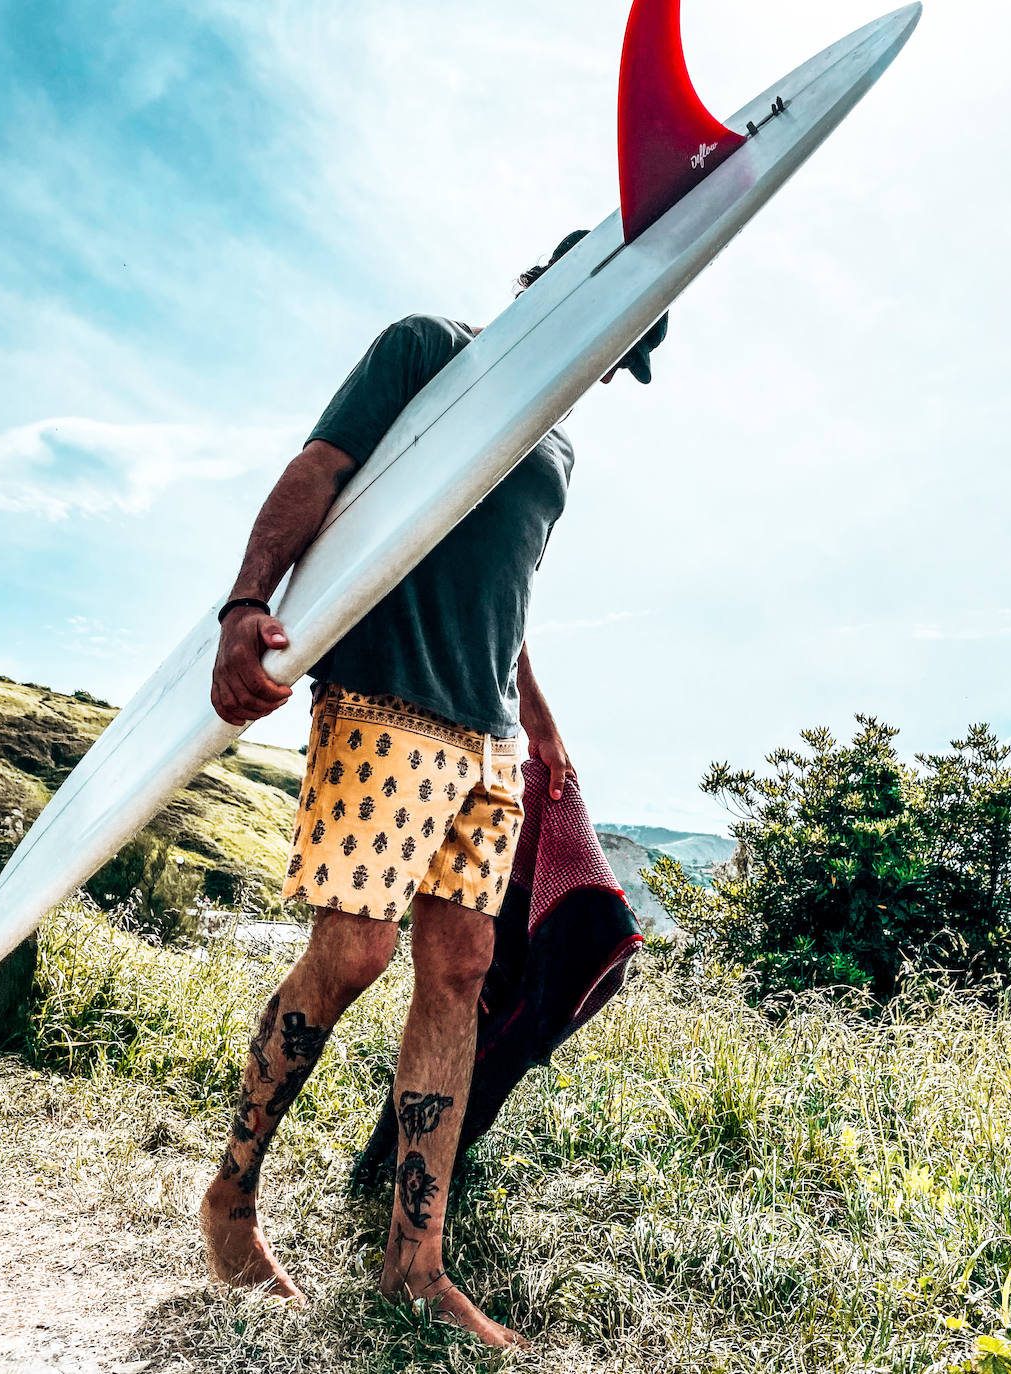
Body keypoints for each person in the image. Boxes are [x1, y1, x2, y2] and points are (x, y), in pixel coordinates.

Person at [199, 230, 666, 1349]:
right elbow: (319, 469)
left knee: (458, 976)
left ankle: (414, 1264)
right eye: (622, 333)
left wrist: (539, 722)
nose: (614, 363)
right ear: (559, 283)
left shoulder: (554, 453)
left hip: (486, 744)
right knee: (353, 952)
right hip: (381, 704)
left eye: (634, 352)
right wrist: (243, 603)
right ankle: (229, 1200)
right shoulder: (427, 352)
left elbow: (505, 604)